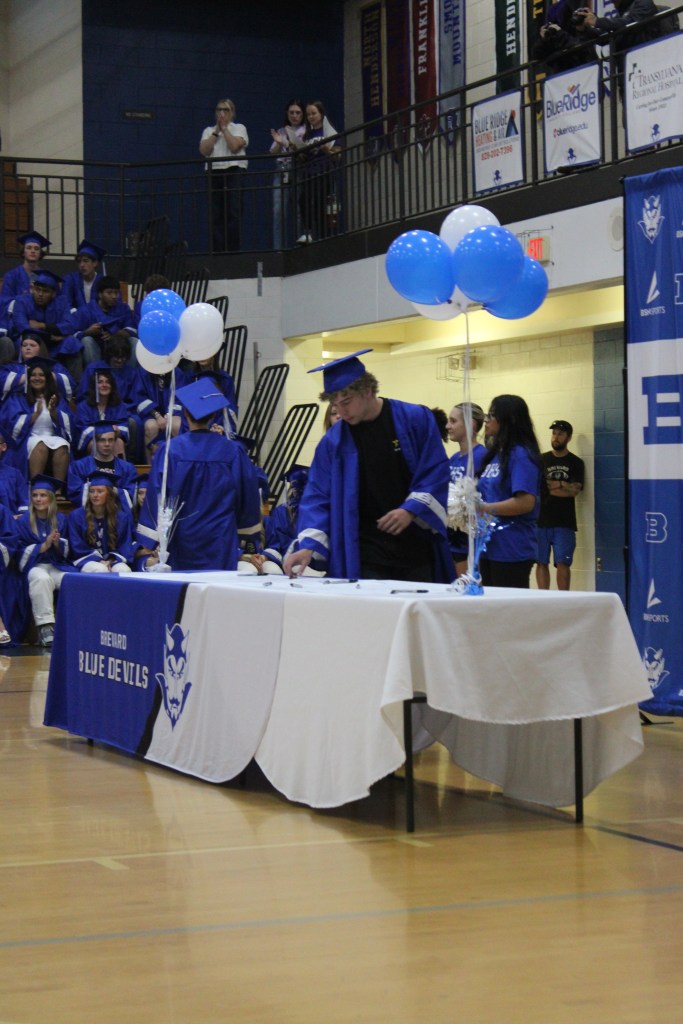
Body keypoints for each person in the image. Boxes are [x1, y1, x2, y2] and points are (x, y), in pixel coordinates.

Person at [283, 349, 453, 582]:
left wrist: (411, 509)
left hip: (415, 548)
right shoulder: (333, 442)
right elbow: (318, 495)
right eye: (335, 404)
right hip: (364, 553)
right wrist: (308, 546)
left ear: (368, 391)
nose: (341, 411)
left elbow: (436, 471)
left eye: (346, 402)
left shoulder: (414, 419)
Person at [135, 377, 262, 571]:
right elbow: (247, 496)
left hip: (181, 539)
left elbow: (156, 495)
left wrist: (151, 540)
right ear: (214, 415)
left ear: (185, 413)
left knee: (184, 588)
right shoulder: (233, 451)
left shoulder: (170, 451)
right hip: (221, 538)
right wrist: (247, 536)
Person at [477, 394, 543, 589]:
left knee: (508, 605)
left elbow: (525, 502)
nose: (486, 421)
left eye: (492, 415)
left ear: (510, 419)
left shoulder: (521, 455)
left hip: (511, 547)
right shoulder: (495, 454)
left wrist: (484, 508)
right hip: (489, 545)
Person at [16, 474, 76, 647]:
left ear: (50, 498)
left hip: (57, 564)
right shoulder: (24, 521)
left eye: (42, 495)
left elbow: (68, 550)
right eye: (35, 495)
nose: (38, 499)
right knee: (42, 579)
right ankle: (46, 627)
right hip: (34, 565)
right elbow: (18, 551)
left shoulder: (60, 519)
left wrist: (57, 543)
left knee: (71, 580)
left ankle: (74, 626)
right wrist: (44, 545)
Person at [1, 357, 73, 481]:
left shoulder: (56, 398)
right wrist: (35, 415)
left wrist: (53, 412)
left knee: (62, 446)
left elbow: (69, 423)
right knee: (40, 446)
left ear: (47, 378)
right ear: (28, 379)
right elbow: (11, 424)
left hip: (52, 436)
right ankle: (36, 486)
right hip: (29, 437)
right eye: (33, 375)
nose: (37, 378)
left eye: (41, 375)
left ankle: (58, 488)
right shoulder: (19, 398)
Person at [536, 419, 585, 590]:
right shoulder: (541, 460)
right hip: (541, 520)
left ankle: (564, 599)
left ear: (568, 438)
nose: (556, 437)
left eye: (560, 434)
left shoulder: (576, 462)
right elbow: (541, 488)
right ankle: (543, 598)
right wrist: (564, 485)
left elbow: (574, 490)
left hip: (564, 522)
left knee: (563, 563)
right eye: (554, 433)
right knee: (541, 562)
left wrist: (555, 485)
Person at [199, 98, 248, 252]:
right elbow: (204, 150)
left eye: (225, 110)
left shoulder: (239, 128)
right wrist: (216, 132)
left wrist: (225, 129)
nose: (222, 113)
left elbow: (234, 147)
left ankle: (233, 251)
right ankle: (218, 252)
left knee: (234, 212)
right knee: (216, 214)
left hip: (234, 171)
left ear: (232, 113)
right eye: (219, 110)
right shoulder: (208, 131)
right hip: (214, 172)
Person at [446, 402, 487, 577]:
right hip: (452, 536)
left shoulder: (483, 457)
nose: (447, 426)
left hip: (471, 540)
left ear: (471, 425)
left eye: (453, 421)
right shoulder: (454, 459)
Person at [67, 471, 135, 573]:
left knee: (123, 569)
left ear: (109, 494)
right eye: (92, 491)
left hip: (113, 559)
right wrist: (98, 560)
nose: (95, 495)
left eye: (100, 491)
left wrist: (110, 560)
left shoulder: (121, 517)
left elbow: (124, 545)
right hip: (86, 559)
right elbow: (77, 545)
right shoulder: (76, 516)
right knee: (100, 569)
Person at [63, 276, 137, 369]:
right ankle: (96, 373)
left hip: (119, 348)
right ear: (100, 294)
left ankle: (129, 374)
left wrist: (116, 334)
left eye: (116, 293)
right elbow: (72, 333)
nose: (114, 296)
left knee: (134, 341)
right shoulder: (86, 310)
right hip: (96, 348)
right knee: (87, 340)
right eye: (109, 293)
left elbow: (132, 329)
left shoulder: (123, 308)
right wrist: (87, 332)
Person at [293, 101, 341, 244]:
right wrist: (298, 151)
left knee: (321, 202)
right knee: (304, 200)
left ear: (321, 114)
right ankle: (308, 232)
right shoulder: (307, 135)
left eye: (314, 113)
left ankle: (323, 236)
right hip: (309, 172)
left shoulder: (329, 132)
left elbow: (337, 155)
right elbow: (304, 158)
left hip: (324, 171)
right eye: (308, 114)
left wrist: (327, 150)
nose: (311, 117)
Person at [9, 269, 78, 369]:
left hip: (55, 345)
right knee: (27, 342)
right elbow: (23, 327)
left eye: (45, 291)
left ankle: (73, 379)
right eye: (37, 289)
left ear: (53, 294)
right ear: (33, 289)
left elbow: (70, 325)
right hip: (30, 341)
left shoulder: (62, 302)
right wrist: (51, 336)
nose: (40, 294)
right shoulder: (22, 301)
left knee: (72, 342)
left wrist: (43, 326)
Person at [67, 422, 139, 511]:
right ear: (95, 442)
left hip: (118, 514)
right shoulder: (79, 466)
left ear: (115, 442)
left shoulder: (127, 468)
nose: (107, 444)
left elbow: (133, 494)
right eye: (102, 440)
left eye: (110, 440)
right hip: (90, 514)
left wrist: (114, 490)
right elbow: (74, 493)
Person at [0, 329, 76, 406]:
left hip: (48, 403)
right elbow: (2, 382)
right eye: (24, 345)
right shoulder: (11, 366)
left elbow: (70, 384)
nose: (28, 348)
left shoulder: (54, 366)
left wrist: (47, 374)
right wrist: (33, 376)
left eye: (32, 345)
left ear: (41, 348)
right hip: (18, 405)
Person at [269, 99, 306, 248]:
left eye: (298, 113)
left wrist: (288, 143)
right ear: (287, 114)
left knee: (299, 209)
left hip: (298, 168)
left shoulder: (305, 130)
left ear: (302, 114)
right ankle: (279, 249)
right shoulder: (282, 130)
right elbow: (273, 153)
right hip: (282, 169)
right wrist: (279, 143)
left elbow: (302, 151)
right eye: (292, 113)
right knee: (278, 210)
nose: (294, 116)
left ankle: (300, 246)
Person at [73, 368, 130, 456]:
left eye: (107, 382)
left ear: (112, 386)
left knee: (119, 442)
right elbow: (83, 429)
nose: (104, 385)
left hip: (113, 438)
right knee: (96, 444)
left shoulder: (119, 405)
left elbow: (123, 426)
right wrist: (106, 432)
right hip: (92, 440)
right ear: (94, 386)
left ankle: (120, 465)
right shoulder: (83, 407)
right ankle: (96, 466)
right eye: (100, 382)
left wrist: (117, 431)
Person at [532, 0, 597, 74]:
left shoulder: (578, 29)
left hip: (586, 72)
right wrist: (543, 40)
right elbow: (536, 55)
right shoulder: (554, 36)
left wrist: (560, 34)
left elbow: (579, 48)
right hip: (564, 76)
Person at [0, 231, 51, 323]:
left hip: (41, 321)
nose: (33, 251)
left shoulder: (46, 277)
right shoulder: (11, 276)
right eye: (29, 248)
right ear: (23, 252)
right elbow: (5, 301)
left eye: (36, 248)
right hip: (16, 320)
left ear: (40, 254)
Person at [62, 239, 106, 311]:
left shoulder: (103, 282)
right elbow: (65, 304)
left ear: (95, 263)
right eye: (79, 261)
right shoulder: (71, 279)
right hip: (75, 317)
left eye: (86, 261)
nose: (82, 265)